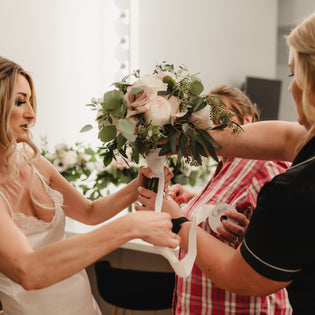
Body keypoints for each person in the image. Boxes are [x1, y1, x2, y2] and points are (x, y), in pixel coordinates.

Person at [137, 11, 315, 314]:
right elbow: (282, 139)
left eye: (293, 75)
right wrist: (171, 131)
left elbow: (243, 277)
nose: (290, 87)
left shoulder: (292, 189)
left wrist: (177, 219)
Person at [0, 56, 179, 315]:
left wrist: (135, 186)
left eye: (30, 100)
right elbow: (29, 271)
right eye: (19, 101)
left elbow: (89, 212)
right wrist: (128, 227)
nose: (32, 113)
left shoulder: (34, 162)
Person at [138, 85, 292, 314]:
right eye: (203, 117)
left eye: (218, 115)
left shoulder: (265, 164)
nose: (208, 124)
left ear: (246, 121)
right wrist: (191, 202)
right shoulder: (223, 167)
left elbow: (282, 243)